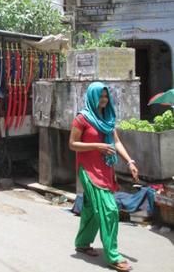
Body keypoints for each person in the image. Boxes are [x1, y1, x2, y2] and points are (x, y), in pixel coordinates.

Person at [69, 82, 139, 272]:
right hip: (89, 170)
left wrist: (130, 161)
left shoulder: (107, 117)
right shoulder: (82, 118)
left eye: (106, 96)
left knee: (92, 208)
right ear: (92, 96)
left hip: (106, 169)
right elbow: (73, 144)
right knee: (109, 210)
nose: (104, 99)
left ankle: (82, 243)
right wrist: (98, 146)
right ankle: (113, 256)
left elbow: (116, 141)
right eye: (100, 96)